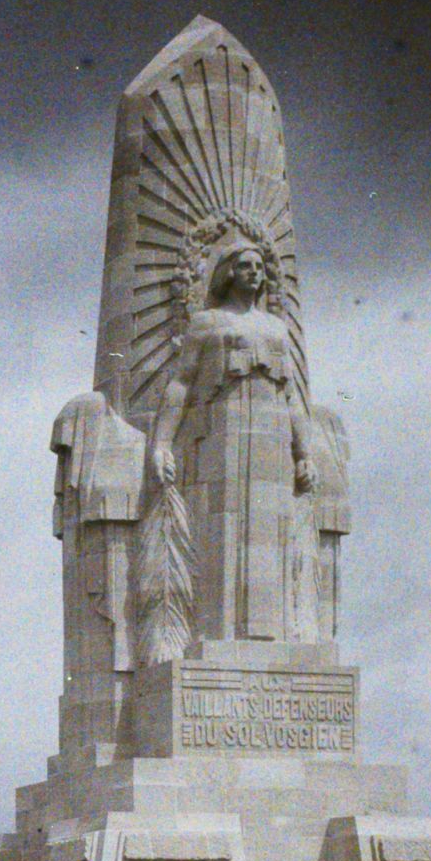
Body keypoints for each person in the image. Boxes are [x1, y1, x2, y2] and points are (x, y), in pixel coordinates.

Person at [148, 241, 319, 644]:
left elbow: (293, 396)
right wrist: (162, 443)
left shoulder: (277, 329)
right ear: (228, 273)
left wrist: (304, 452)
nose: (254, 272)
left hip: (272, 443)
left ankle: (275, 634)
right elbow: (181, 384)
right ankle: (216, 634)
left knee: (273, 532)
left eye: (259, 266)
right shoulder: (207, 323)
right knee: (218, 533)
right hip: (220, 435)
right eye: (244, 265)